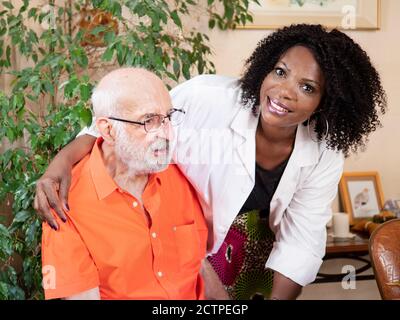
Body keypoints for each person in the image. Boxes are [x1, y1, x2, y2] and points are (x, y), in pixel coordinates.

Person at [35, 24, 386, 300]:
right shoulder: (208, 98)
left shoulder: (323, 151)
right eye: (280, 72)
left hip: (252, 241)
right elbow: (125, 122)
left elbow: (303, 240)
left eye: (308, 88)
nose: (284, 91)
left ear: (326, 102)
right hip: (183, 228)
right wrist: (61, 162)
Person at [40, 68, 208, 299]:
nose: (167, 134)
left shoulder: (179, 172)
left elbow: (198, 267)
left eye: (168, 117)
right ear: (108, 130)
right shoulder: (65, 206)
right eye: (148, 121)